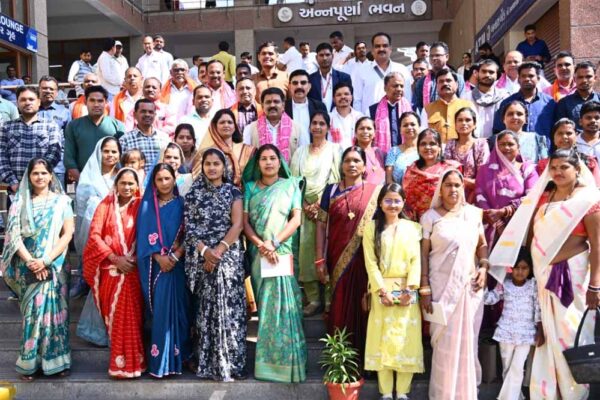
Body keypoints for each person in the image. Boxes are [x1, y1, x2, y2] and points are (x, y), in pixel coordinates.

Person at [489, 148, 600, 400]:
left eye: (564, 167)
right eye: (554, 168)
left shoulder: (589, 199)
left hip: (573, 277)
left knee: (570, 333)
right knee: (547, 335)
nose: (558, 172)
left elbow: (597, 244)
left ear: (577, 169)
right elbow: (532, 236)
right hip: (542, 275)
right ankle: (548, 392)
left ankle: (574, 394)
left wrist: (596, 285)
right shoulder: (544, 199)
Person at [1, 158, 74, 379]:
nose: (40, 177)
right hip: (27, 267)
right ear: (29, 176)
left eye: (44, 173)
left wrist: (46, 260)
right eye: (35, 173)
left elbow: (67, 234)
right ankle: (29, 362)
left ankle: (57, 362)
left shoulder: (62, 202)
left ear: (51, 176)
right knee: (32, 316)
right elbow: (14, 237)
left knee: (55, 315)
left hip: (55, 266)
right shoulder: (19, 203)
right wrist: (32, 262)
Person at [420, 169, 488, 400]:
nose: (453, 189)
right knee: (443, 343)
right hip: (440, 288)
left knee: (469, 342)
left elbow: (482, 245)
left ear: (463, 188)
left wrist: (484, 267)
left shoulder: (473, 214)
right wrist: (424, 286)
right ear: (440, 189)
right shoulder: (430, 217)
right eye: (448, 185)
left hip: (470, 287)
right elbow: (423, 254)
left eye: (457, 185)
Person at [242, 144, 306, 382]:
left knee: (286, 308)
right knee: (267, 309)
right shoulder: (249, 187)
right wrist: (262, 245)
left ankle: (289, 365)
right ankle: (267, 366)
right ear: (257, 164)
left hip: (282, 252)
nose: (268, 162)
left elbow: (296, 219)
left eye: (272, 158)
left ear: (280, 162)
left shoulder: (291, 185)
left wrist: (274, 243)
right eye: (263, 159)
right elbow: (245, 223)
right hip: (259, 255)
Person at [184, 148, 246, 381]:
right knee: (206, 311)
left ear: (224, 167)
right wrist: (205, 252)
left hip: (228, 256)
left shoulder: (233, 192)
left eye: (216, 164)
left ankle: (233, 363)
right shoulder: (194, 193)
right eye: (208, 164)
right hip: (201, 258)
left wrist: (218, 252)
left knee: (229, 310)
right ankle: (209, 363)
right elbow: (190, 229)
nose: (211, 168)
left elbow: (237, 225)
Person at [315, 146, 382, 364]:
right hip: (336, 259)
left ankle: (365, 361)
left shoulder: (375, 192)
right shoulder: (331, 191)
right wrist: (319, 259)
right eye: (347, 161)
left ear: (364, 166)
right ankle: (339, 362)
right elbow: (321, 225)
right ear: (341, 165)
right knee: (339, 305)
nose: (352, 165)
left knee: (364, 306)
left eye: (356, 161)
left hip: (365, 260)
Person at [82, 167, 146, 378]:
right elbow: (94, 236)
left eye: (131, 183)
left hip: (134, 271)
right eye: (123, 183)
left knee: (132, 319)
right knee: (116, 318)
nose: (127, 187)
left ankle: (135, 363)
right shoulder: (105, 206)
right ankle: (119, 365)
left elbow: (150, 234)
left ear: (137, 186)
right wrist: (115, 258)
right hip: (110, 271)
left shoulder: (143, 206)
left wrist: (133, 259)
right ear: (116, 185)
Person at [362, 183, 423, 400]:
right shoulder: (371, 228)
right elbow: (370, 262)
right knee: (382, 339)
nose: (393, 205)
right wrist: (381, 291)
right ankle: (386, 392)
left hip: (407, 290)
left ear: (404, 202)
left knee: (406, 338)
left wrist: (410, 289)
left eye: (397, 200)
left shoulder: (413, 228)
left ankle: (403, 392)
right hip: (382, 290)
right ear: (380, 203)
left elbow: (416, 260)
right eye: (388, 200)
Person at [137, 163, 190, 378]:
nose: (164, 183)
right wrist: (159, 257)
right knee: (161, 313)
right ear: (154, 182)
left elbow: (191, 234)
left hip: (177, 266)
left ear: (174, 179)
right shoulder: (148, 207)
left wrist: (176, 256)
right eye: (159, 179)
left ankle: (180, 357)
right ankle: (161, 363)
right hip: (157, 267)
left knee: (180, 312)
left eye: (168, 178)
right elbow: (142, 237)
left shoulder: (183, 204)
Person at [290, 112, 342, 316]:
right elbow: (294, 182)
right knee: (306, 253)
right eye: (314, 123)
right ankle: (313, 299)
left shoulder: (335, 150)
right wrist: (305, 205)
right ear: (309, 126)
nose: (318, 127)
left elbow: (336, 179)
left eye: (322, 123)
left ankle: (329, 298)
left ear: (328, 127)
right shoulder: (300, 152)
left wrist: (321, 204)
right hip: (304, 209)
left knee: (326, 250)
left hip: (327, 208)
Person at [74, 137, 121, 345]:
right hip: (98, 243)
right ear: (98, 153)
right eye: (106, 151)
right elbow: (83, 216)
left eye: (114, 151)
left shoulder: (123, 177)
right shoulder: (88, 180)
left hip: (121, 243)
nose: (110, 155)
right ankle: (97, 332)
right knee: (100, 287)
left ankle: (118, 333)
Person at [483, 248, 543, 400]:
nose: (520, 272)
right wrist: (482, 284)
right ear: (511, 268)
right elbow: (489, 299)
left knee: (517, 368)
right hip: (506, 332)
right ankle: (517, 397)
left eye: (524, 268)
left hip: (526, 333)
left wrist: (540, 330)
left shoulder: (533, 285)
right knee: (507, 369)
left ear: (530, 269)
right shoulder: (504, 284)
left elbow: (538, 309)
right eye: (516, 268)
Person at [475, 130, 539, 247]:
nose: (506, 148)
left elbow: (532, 196)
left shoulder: (527, 169)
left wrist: (506, 211)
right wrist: (498, 224)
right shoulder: (485, 170)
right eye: (502, 144)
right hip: (490, 225)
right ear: (496, 147)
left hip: (518, 224)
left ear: (518, 147)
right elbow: (480, 195)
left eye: (510, 144)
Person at [0, 87, 62, 194]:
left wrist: (39, 177)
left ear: (39, 102)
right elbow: (1, 156)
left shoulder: (51, 126)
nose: (27, 102)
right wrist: (13, 182)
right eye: (23, 100)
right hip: (16, 189)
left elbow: (54, 153)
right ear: (17, 103)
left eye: (31, 99)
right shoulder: (6, 127)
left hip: (44, 188)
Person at [64, 86, 126, 183]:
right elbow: (69, 159)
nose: (96, 104)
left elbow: (123, 158)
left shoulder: (118, 126)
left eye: (100, 101)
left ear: (106, 102)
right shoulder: (74, 126)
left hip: (112, 181)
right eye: (92, 100)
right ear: (85, 102)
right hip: (83, 181)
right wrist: (83, 182)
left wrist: (116, 181)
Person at [402, 128, 460, 221]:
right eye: (423, 144)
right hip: (416, 221)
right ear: (418, 148)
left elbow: (457, 197)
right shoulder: (412, 170)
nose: (427, 147)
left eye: (432, 143)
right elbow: (407, 200)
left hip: (443, 220)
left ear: (439, 147)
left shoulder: (449, 169)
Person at [493, 62, 556, 138]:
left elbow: (556, 129)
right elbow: (499, 130)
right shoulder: (507, 103)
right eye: (523, 76)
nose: (527, 79)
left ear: (538, 79)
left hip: (544, 145)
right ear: (518, 79)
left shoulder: (549, 103)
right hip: (516, 145)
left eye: (531, 76)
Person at [354, 33, 413, 114]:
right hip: (370, 119)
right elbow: (357, 101)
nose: (381, 49)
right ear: (372, 50)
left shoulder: (402, 69)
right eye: (377, 46)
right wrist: (361, 119)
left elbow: (407, 98)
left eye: (385, 46)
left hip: (397, 118)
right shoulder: (362, 71)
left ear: (390, 49)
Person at [196, 109, 255, 188]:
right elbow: (198, 179)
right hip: (212, 193)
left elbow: (253, 178)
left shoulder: (247, 150)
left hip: (244, 193)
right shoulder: (206, 152)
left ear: (235, 126)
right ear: (215, 126)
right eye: (222, 122)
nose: (226, 125)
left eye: (230, 122)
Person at [242, 87, 301, 163]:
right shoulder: (250, 129)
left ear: (283, 105)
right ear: (262, 106)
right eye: (268, 102)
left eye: (276, 102)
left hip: (290, 170)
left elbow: (302, 158)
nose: (272, 105)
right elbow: (246, 158)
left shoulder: (298, 129)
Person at [443, 108, 490, 201]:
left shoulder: (481, 144)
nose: (464, 123)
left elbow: (483, 177)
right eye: (460, 120)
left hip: (477, 193)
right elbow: (447, 171)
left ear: (474, 124)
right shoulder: (450, 144)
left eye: (468, 120)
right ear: (455, 125)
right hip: (452, 192)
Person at [537, 118, 600, 186]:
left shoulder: (589, 162)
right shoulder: (544, 164)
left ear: (576, 136)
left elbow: (597, 187)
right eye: (560, 133)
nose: (564, 137)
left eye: (569, 133)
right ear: (553, 138)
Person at [119, 99, 171, 174]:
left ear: (155, 115)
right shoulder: (125, 140)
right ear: (134, 114)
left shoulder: (164, 138)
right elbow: (121, 167)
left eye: (151, 112)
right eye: (143, 111)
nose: (147, 114)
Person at [424, 68, 475, 143]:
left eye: (448, 80)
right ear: (436, 86)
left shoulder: (468, 106)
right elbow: (423, 135)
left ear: (456, 84)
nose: (445, 83)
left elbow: (476, 132)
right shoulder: (427, 109)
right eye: (441, 81)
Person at [461, 59, 508, 138]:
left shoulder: (503, 97)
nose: (487, 75)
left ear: (497, 75)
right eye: (484, 71)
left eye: (491, 72)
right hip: (473, 142)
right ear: (477, 73)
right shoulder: (466, 98)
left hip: (497, 141)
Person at [38, 76, 72, 186]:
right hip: (34, 165)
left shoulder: (65, 112)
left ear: (56, 92)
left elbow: (69, 140)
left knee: (58, 195)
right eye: (44, 88)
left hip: (58, 166)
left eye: (51, 89)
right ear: (39, 90)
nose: (48, 91)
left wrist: (70, 165)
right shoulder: (31, 110)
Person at [413, 41, 464, 111]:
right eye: (431, 56)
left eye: (437, 55)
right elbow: (417, 107)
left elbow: (462, 103)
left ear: (447, 57)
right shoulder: (422, 82)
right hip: (429, 116)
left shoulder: (457, 79)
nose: (434, 58)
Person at [369, 72, 413, 152]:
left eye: (401, 86)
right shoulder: (373, 110)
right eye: (395, 86)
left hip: (406, 154)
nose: (399, 89)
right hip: (381, 155)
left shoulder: (409, 110)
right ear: (385, 88)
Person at [285, 69, 328, 144]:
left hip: (313, 150)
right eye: (295, 83)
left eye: (303, 83)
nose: (299, 86)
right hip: (290, 150)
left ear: (309, 86)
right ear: (289, 86)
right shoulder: (283, 108)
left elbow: (324, 131)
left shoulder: (319, 106)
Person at [307, 43, 352, 111]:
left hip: (338, 116)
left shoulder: (344, 78)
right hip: (317, 116)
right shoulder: (310, 79)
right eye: (321, 55)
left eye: (327, 55)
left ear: (332, 56)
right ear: (316, 58)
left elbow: (349, 101)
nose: (324, 58)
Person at [555, 61, 599, 130]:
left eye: (588, 77)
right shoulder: (564, 103)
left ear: (595, 78)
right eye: (580, 77)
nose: (584, 80)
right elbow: (561, 129)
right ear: (574, 79)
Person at [385, 111, 420, 185]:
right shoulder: (393, 151)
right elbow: (389, 180)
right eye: (405, 125)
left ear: (419, 127)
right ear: (400, 130)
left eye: (413, 124)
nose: (409, 127)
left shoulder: (425, 150)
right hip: (398, 191)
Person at [329, 82, 363, 149]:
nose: (343, 97)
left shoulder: (360, 117)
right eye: (339, 95)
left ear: (351, 97)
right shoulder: (328, 118)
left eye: (346, 94)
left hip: (356, 154)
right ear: (333, 99)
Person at [353, 117, 386, 185]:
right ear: (355, 133)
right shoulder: (352, 153)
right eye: (362, 128)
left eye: (369, 128)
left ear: (374, 133)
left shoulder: (380, 153)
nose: (365, 131)